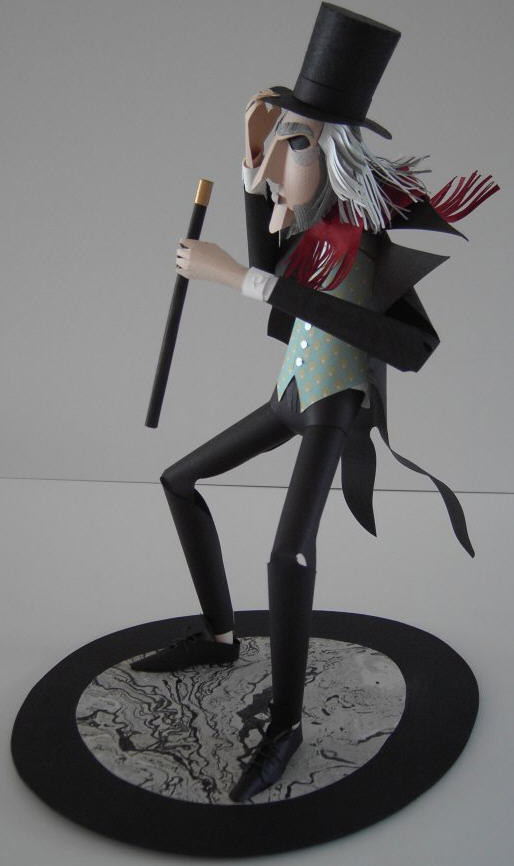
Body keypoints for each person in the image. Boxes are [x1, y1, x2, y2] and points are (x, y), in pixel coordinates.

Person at [133, 4, 498, 802]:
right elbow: (271, 266)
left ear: (335, 157)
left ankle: (287, 724)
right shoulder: (315, 230)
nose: (276, 163)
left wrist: (238, 278)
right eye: (276, 143)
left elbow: (402, 344)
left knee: (286, 553)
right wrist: (248, 166)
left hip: (332, 403)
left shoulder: (362, 247)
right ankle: (222, 635)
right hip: (288, 395)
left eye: (294, 145)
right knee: (178, 478)